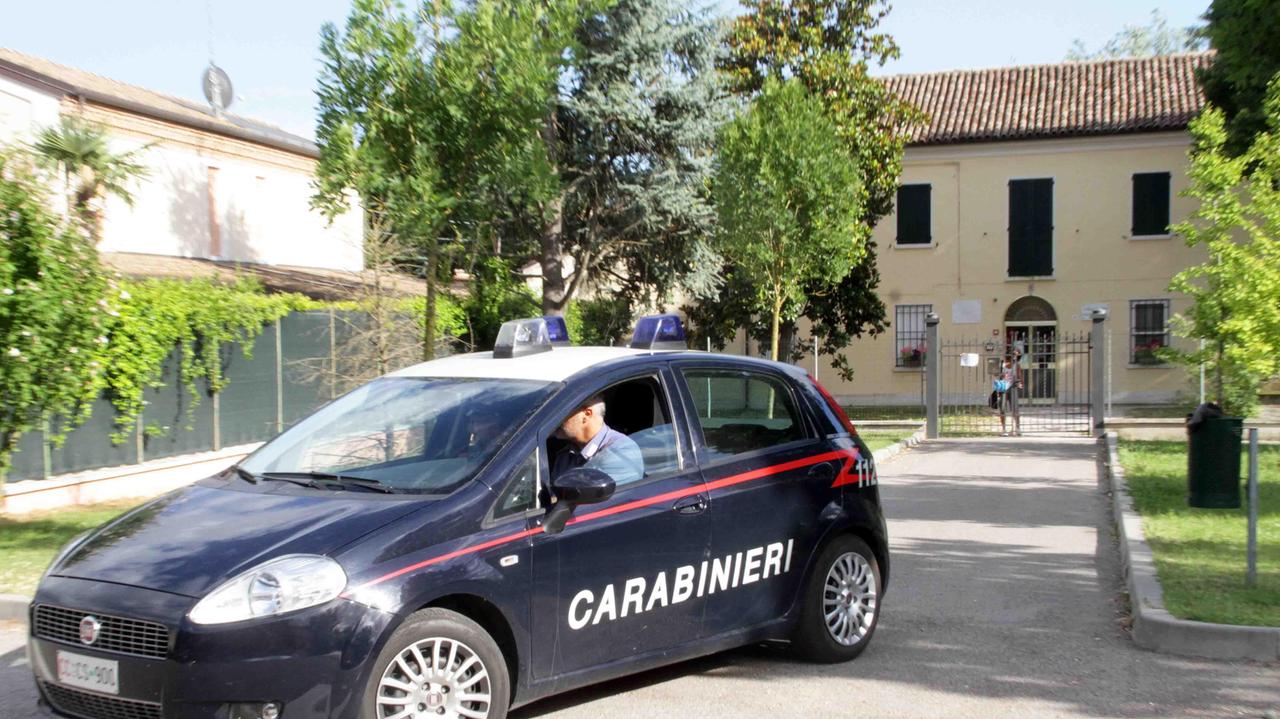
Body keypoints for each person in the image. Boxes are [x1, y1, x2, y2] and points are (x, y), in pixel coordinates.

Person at [551, 395, 644, 485]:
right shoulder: (566, 454)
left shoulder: (621, 450)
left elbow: (603, 498)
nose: (554, 420)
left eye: (561, 413)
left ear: (587, 414)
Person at [997, 351, 1023, 436]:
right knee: (1003, 409)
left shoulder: (1017, 365)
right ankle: (1004, 429)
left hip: (1013, 388)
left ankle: (1017, 429)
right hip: (1003, 388)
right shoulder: (1002, 365)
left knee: (1015, 409)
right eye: (1013, 356)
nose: (1015, 358)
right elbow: (1000, 376)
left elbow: (1020, 377)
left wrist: (1018, 383)